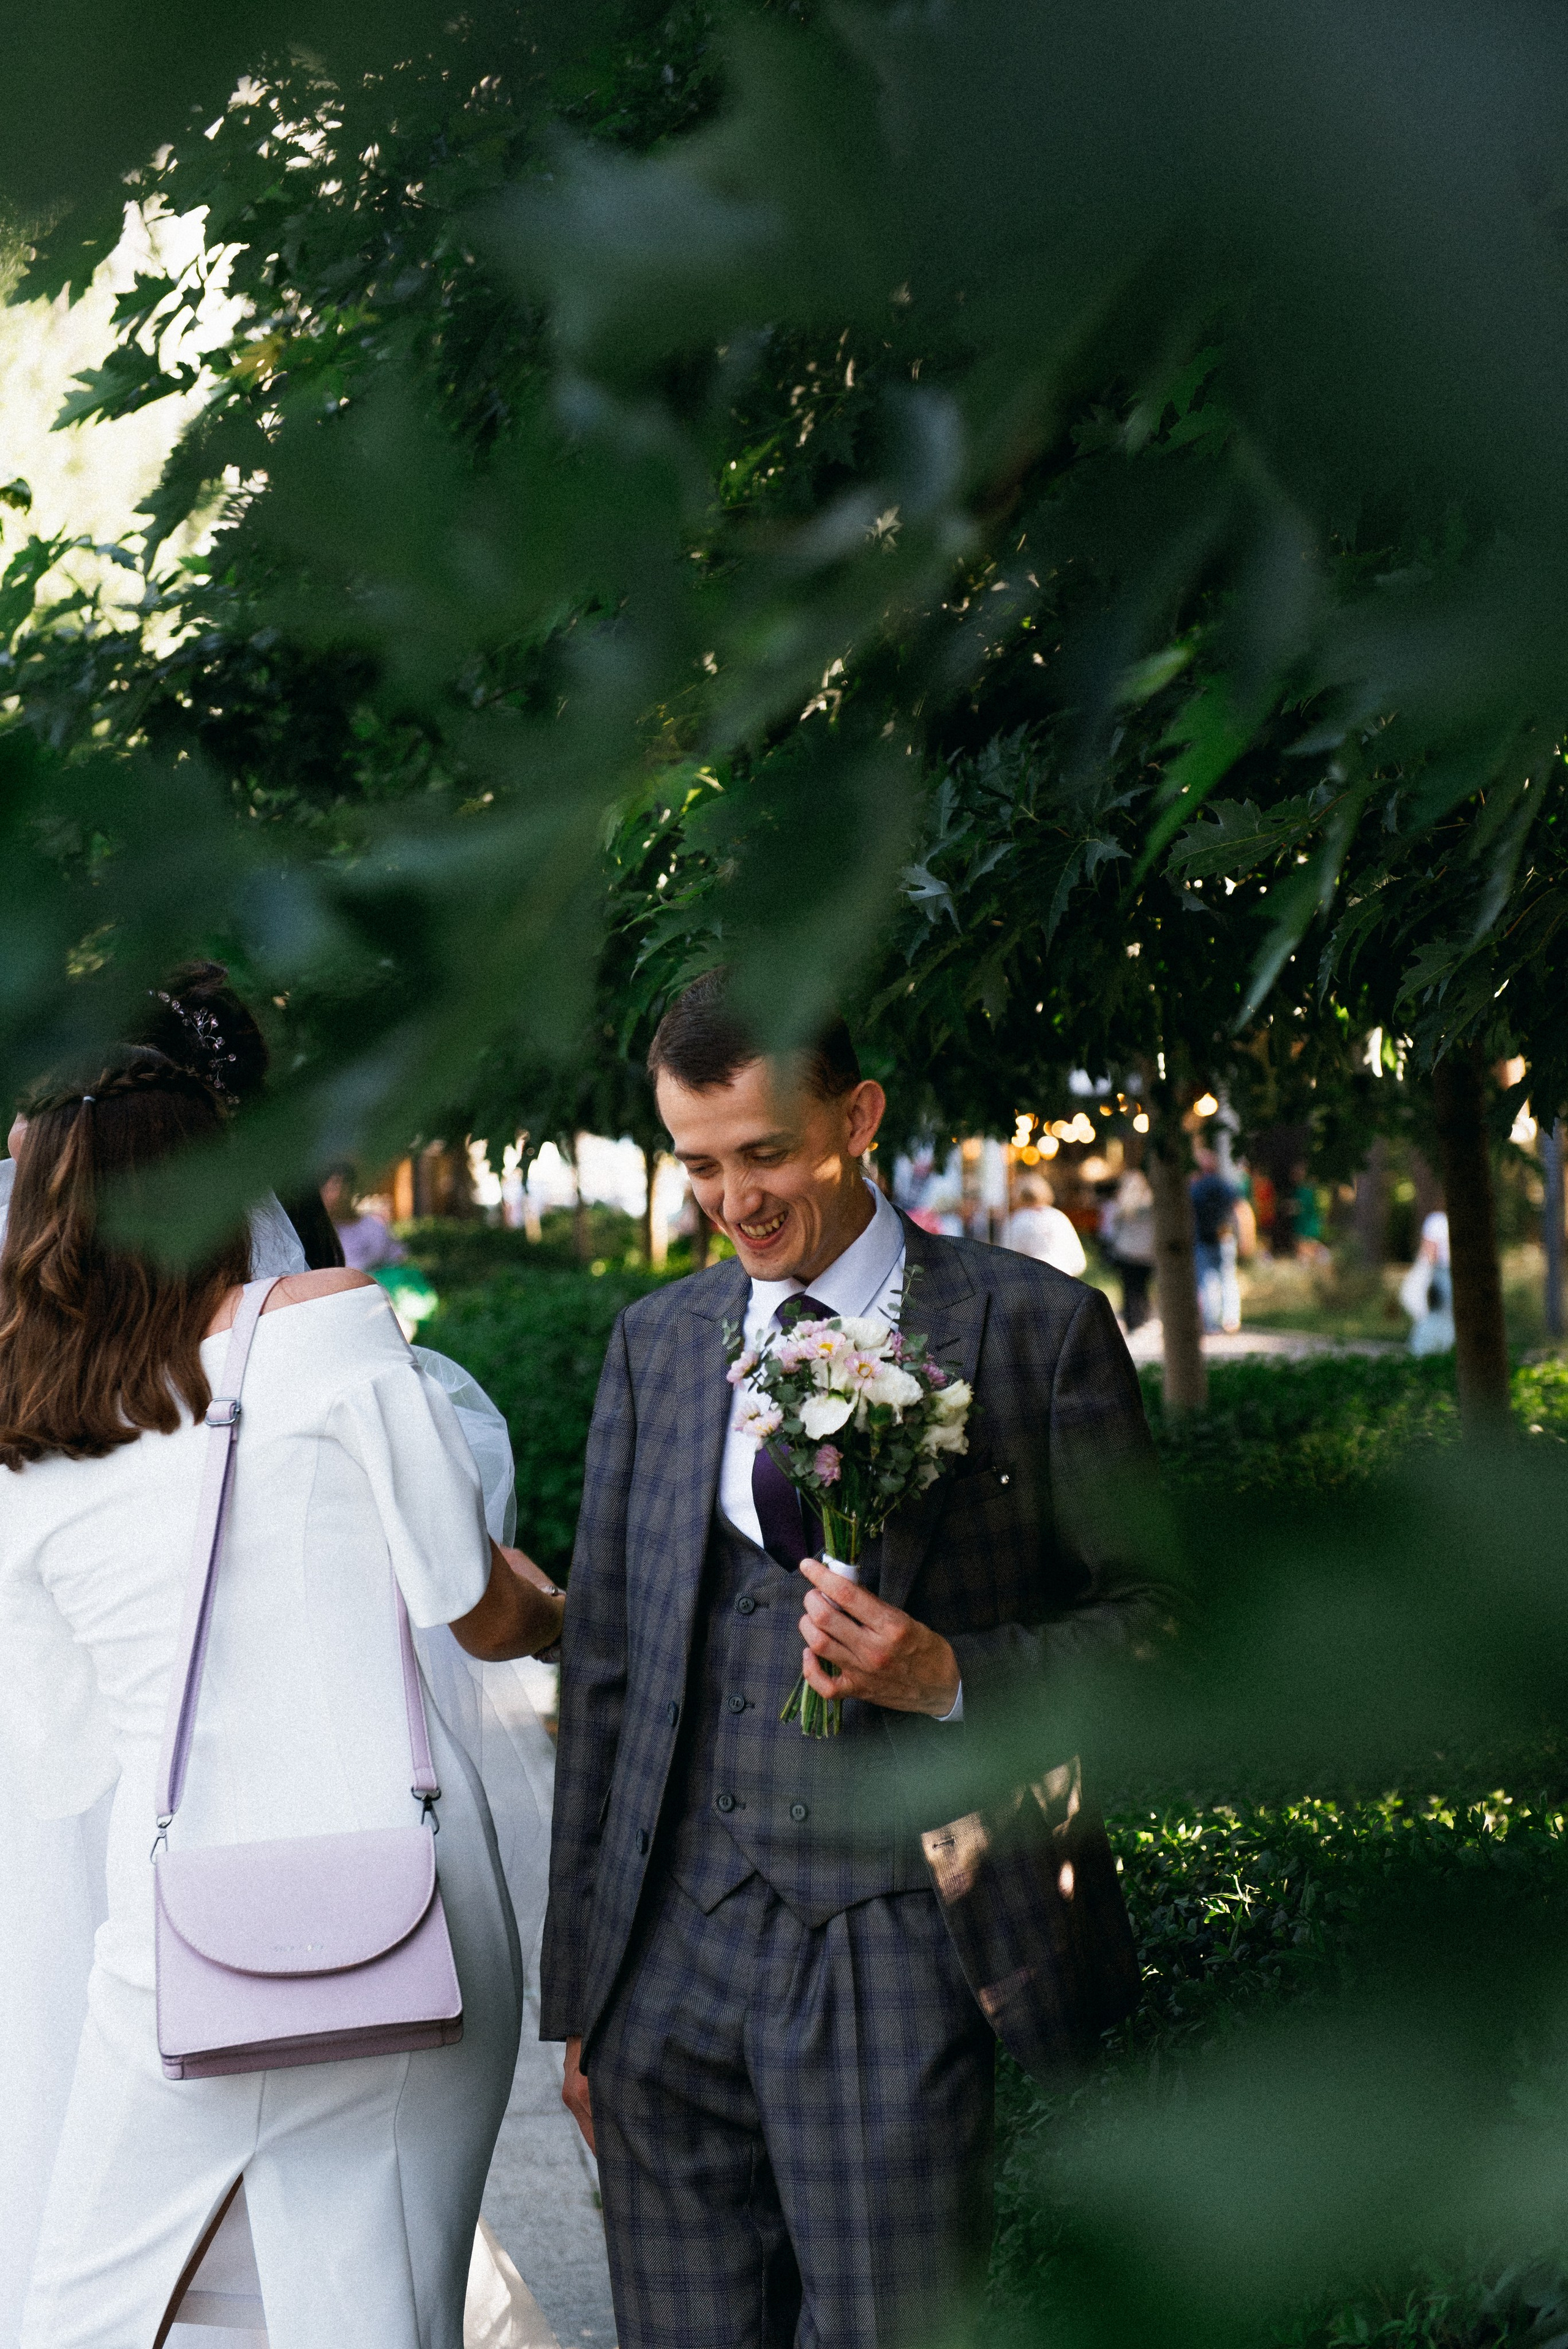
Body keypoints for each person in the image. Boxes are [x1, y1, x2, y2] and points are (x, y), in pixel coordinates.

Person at [541, 971, 1163, 2349]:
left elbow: (1157, 1628)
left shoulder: (1032, 1331)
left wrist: (950, 1678)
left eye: (765, 1153)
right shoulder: (654, 1345)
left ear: (858, 1115)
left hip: (900, 1933)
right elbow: (604, 1675)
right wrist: (583, 2006)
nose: (735, 1200)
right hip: (669, 1957)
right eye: (699, 1164)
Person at [0, 1051, 564, 2348]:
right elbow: (473, 1609)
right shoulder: (328, 1326)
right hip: (412, 1909)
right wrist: (554, 1609)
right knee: (382, 2322)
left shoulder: (27, 1437)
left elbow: (53, 1756)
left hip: (176, 1948)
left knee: (75, 2318)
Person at [1189, 1140, 1240, 1335]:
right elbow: (1236, 1206)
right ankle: (1231, 1319)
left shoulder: (1197, 1187)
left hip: (1203, 1238)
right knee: (1227, 1278)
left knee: (1207, 1281)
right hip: (1224, 1236)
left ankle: (1211, 1323)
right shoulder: (1225, 1185)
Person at [1000, 1169, 1088, 1275]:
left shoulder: (1018, 1220)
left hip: (1032, 1284)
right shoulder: (1059, 1216)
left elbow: (1006, 1262)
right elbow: (1079, 1262)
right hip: (1064, 1283)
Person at [1102, 1164, 1156, 1331]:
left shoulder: (1120, 1207)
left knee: (1129, 1288)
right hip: (1148, 1252)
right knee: (1143, 1287)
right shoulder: (1152, 1206)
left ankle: (1133, 1321)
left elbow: (1109, 1231)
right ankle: (1144, 1318)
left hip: (1125, 1252)